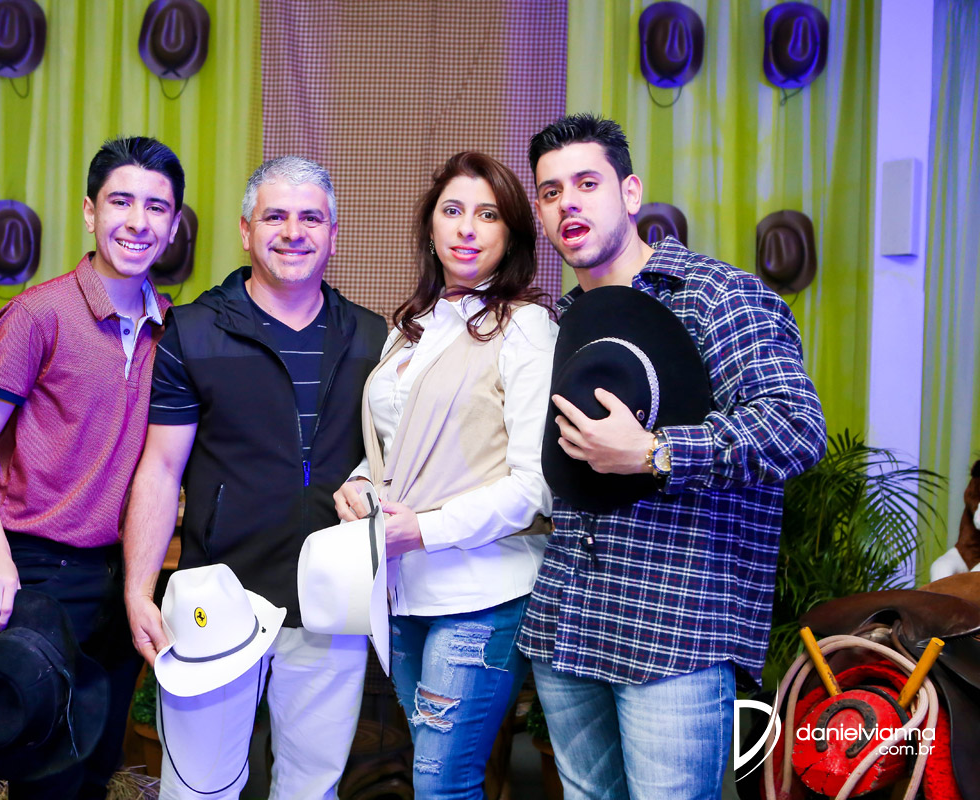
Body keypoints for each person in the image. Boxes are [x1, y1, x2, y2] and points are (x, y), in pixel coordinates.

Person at [516, 113, 828, 799]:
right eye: (550, 191)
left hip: (675, 631)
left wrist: (656, 452)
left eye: (587, 183)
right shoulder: (561, 321)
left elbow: (797, 428)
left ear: (630, 193)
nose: (567, 203)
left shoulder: (719, 296)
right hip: (569, 622)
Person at [122, 156, 387, 800]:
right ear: (245, 230)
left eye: (311, 218)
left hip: (331, 601)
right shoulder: (194, 330)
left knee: (311, 789)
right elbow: (160, 468)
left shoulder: (371, 335)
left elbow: (389, 459)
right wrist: (138, 588)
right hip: (218, 594)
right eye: (275, 217)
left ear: (333, 233)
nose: (293, 232)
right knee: (199, 789)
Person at [0, 136, 186, 799]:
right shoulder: (38, 314)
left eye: (156, 207)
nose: (137, 222)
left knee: (97, 769)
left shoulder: (173, 327)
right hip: (39, 573)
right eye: (120, 202)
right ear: (89, 212)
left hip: (123, 576)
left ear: (173, 226)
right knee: (45, 777)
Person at [334, 151, 557, 799]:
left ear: (511, 235)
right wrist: (360, 483)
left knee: (442, 785)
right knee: (432, 778)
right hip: (405, 593)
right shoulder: (410, 330)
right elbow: (394, 449)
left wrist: (422, 530)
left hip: (482, 592)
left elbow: (535, 486)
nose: (466, 228)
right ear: (430, 227)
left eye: (488, 215)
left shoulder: (525, 328)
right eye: (453, 210)